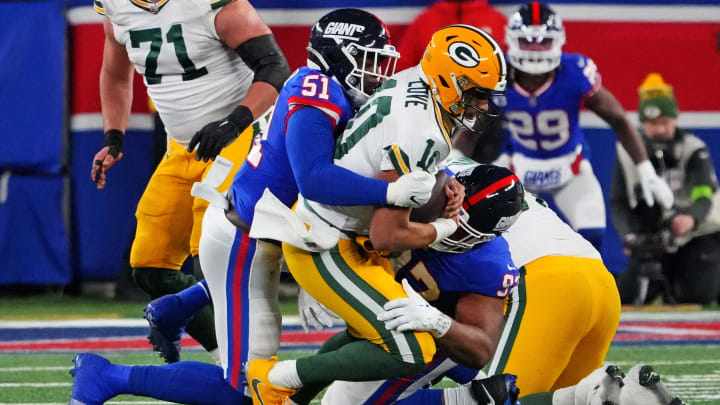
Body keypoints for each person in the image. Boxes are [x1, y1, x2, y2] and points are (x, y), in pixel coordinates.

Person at [67, 8, 437, 405]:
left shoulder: (330, 91)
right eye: (368, 60)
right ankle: (107, 375)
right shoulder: (318, 95)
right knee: (246, 390)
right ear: (338, 55)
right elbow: (313, 180)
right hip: (242, 238)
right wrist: (391, 195)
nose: (377, 73)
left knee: (259, 384)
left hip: (263, 230)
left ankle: (180, 307)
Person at [245, 24, 507, 405]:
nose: (483, 106)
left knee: (371, 333)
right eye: (478, 95)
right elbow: (387, 236)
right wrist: (442, 229)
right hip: (328, 242)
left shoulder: (417, 81)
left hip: (341, 231)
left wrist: (442, 173)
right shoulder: (422, 132)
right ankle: (274, 379)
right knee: (411, 350)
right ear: (451, 81)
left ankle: (294, 392)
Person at [90, 0, 291, 360]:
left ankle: (247, 360)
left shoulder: (212, 4)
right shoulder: (116, 6)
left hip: (241, 136)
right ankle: (224, 355)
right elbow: (115, 73)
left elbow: (274, 66)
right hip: (183, 146)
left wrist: (235, 120)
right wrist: (113, 137)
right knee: (151, 267)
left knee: (214, 251)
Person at [454, 1, 673, 250]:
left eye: (543, 41)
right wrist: (453, 160)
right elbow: (471, 126)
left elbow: (618, 119)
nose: (535, 50)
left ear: (557, 41)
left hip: (569, 169)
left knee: (593, 237)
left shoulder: (574, 73)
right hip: (519, 169)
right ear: (512, 41)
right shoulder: (497, 74)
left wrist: (645, 170)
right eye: (528, 42)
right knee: (492, 234)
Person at [315, 161, 525, 405]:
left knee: (343, 401)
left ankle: (472, 400)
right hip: (394, 311)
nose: (446, 224)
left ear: (484, 237)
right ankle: (481, 392)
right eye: (447, 209)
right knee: (338, 357)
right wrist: (322, 262)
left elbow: (480, 349)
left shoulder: (487, 263)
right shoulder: (428, 181)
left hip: (435, 336)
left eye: (459, 227)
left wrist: (435, 321)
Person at [612, 73, 720, 306]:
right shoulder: (626, 153)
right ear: (643, 123)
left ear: (675, 119)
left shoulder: (694, 150)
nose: (659, 129)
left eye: (665, 122)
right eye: (652, 124)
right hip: (655, 237)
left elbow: (704, 195)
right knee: (625, 297)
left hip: (696, 235)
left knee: (697, 295)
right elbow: (618, 201)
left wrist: (690, 218)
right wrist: (628, 234)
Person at [396, 0, 507, 71]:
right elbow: (403, 68)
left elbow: (508, 68)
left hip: (486, 99)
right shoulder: (426, 20)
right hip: (433, 99)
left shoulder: (497, 21)